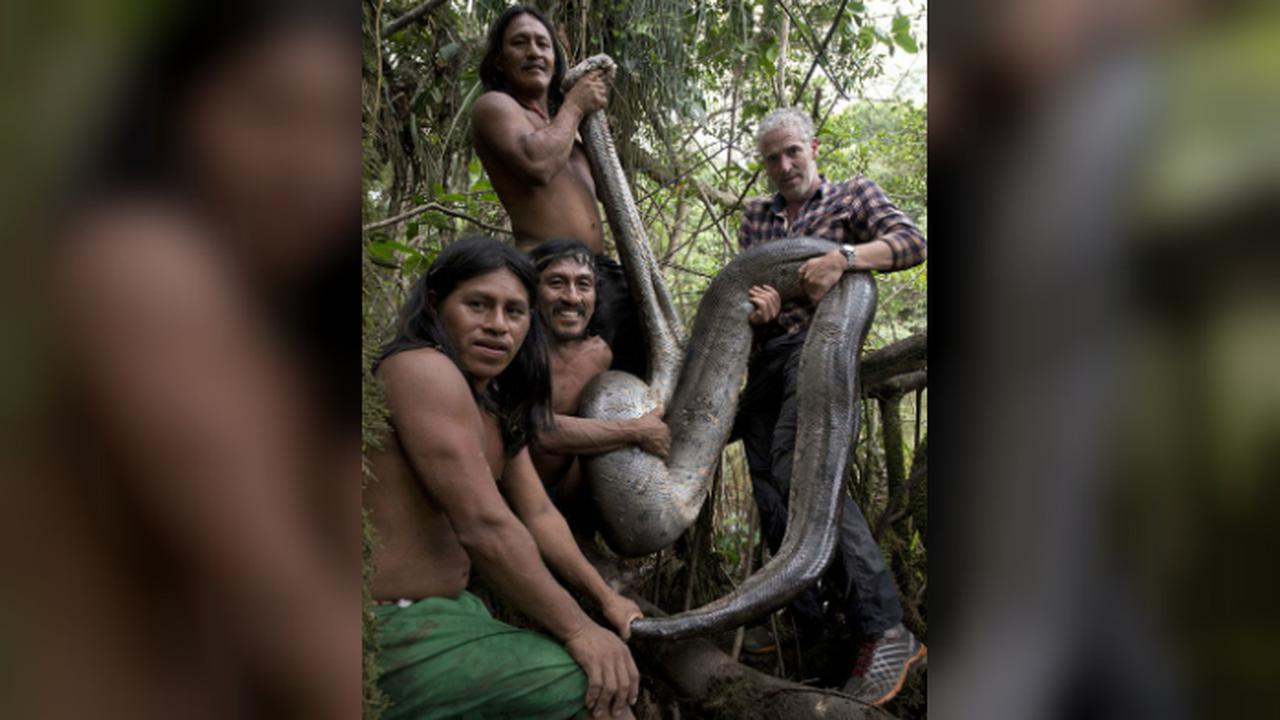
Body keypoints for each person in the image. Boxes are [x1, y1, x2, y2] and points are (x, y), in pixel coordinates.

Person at [365, 236, 643, 720]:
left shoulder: (493, 406)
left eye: (515, 312)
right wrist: (579, 630)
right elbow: (485, 525)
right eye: (478, 305)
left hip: (449, 612)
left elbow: (538, 515)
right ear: (435, 304)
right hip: (379, 624)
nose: (497, 326)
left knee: (605, 685)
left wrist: (607, 600)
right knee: (586, 689)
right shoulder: (418, 369)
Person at [733, 107, 928, 706]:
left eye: (794, 151)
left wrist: (843, 258)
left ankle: (884, 627)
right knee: (766, 483)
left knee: (804, 473)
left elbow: (912, 242)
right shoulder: (756, 218)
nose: (785, 165)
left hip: (821, 350)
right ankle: (805, 619)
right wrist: (758, 310)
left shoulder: (851, 197)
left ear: (813, 147)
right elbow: (743, 292)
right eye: (773, 157)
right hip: (769, 357)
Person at [470, 5, 646, 378]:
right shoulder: (495, 107)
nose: (534, 52)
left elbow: (609, 193)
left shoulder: (566, 129)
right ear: (500, 60)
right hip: (549, 274)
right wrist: (576, 104)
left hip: (599, 276)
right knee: (565, 392)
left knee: (632, 383)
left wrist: (588, 124)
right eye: (520, 43)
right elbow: (537, 163)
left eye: (542, 44)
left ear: (555, 59)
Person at [526, 238, 671, 519]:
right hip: (511, 495)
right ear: (534, 291)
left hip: (570, 501)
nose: (571, 297)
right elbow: (537, 430)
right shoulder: (517, 347)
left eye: (583, 285)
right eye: (557, 283)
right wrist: (636, 431)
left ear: (595, 294)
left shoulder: (601, 354)